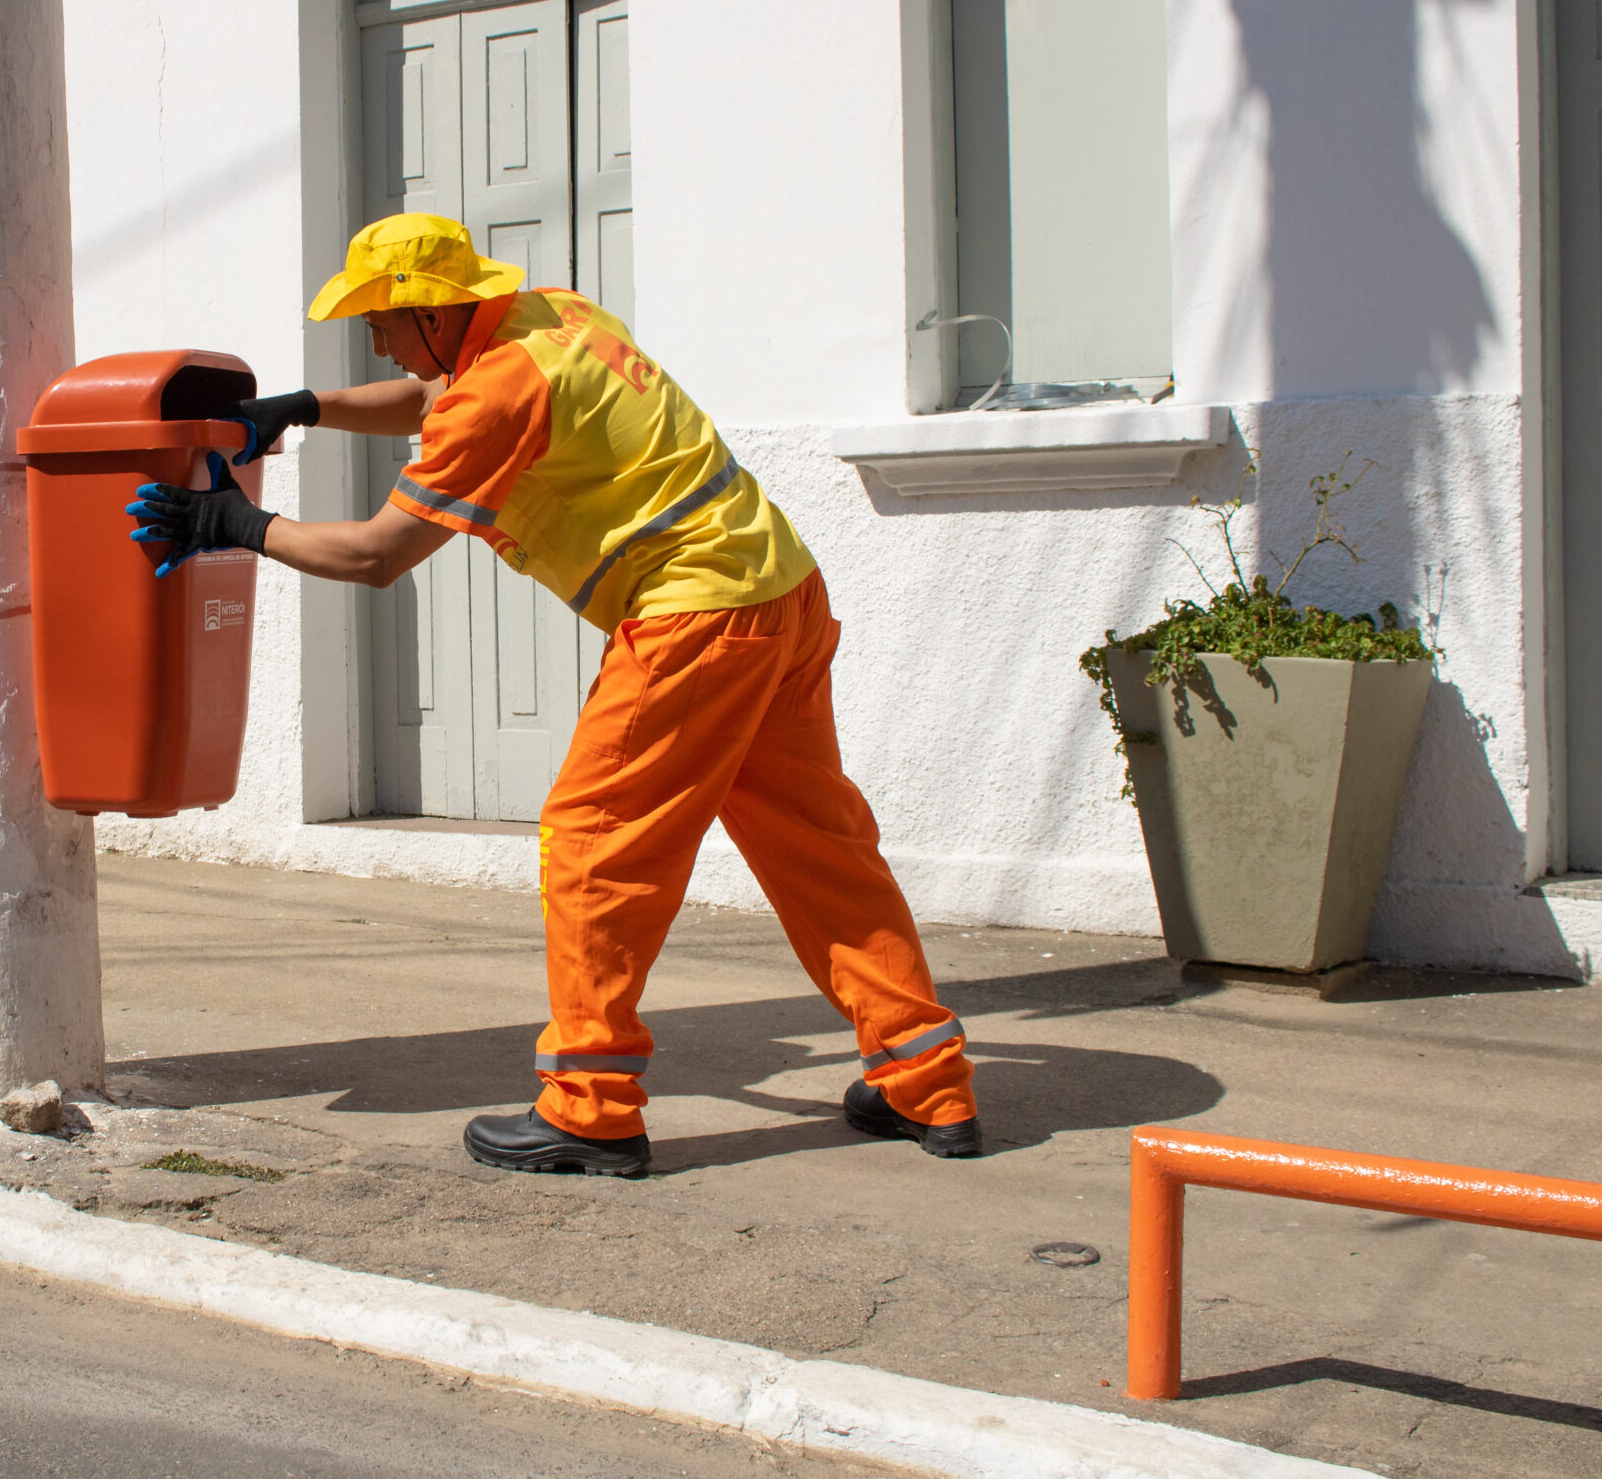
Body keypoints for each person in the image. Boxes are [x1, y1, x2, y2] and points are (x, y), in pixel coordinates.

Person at [126, 213, 979, 1176]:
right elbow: (428, 395)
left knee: (590, 846)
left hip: (693, 620)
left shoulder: (492, 394)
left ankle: (592, 1108)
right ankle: (928, 1079)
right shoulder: (551, 314)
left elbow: (373, 555)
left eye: (380, 316)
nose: (371, 335)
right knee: (819, 845)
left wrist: (238, 522)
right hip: (778, 590)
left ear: (437, 312)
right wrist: (306, 408)